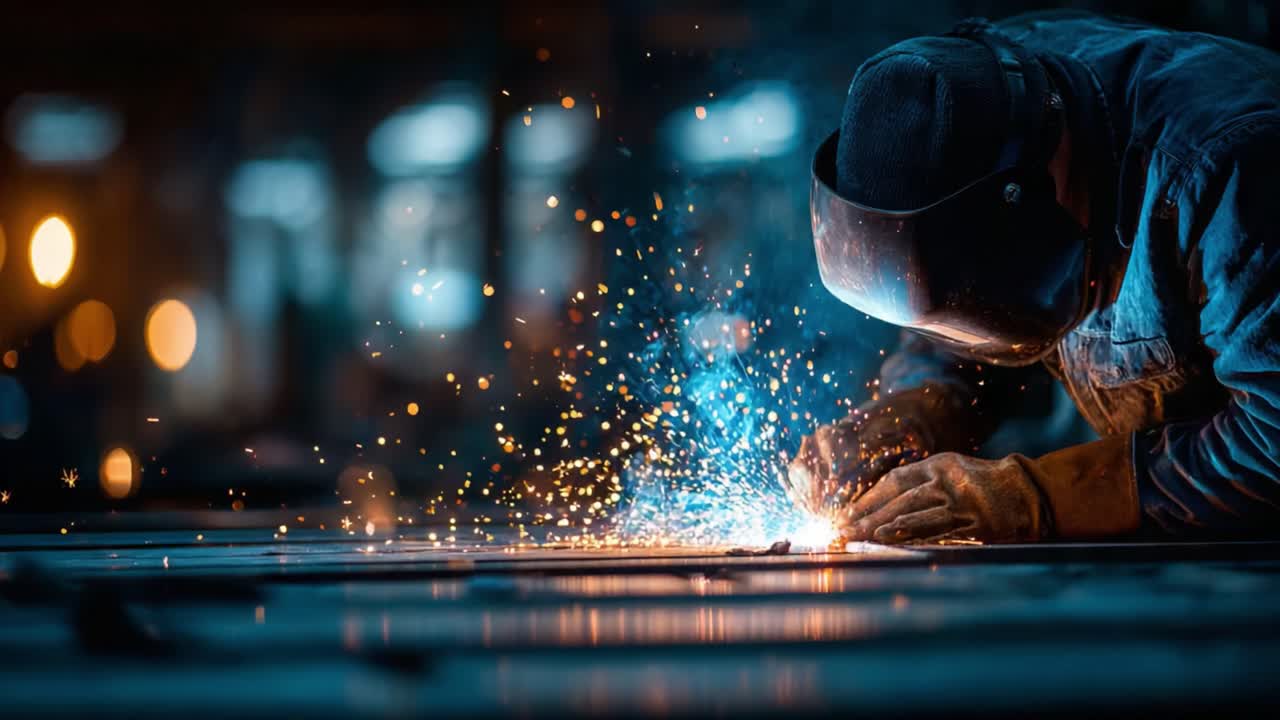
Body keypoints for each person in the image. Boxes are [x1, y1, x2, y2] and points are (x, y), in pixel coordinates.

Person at [789, 12, 1280, 544]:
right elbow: (962, 300)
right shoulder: (969, 104)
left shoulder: (1228, 169)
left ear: (1032, 196)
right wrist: (919, 406)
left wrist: (1043, 496)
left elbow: (1273, 437)